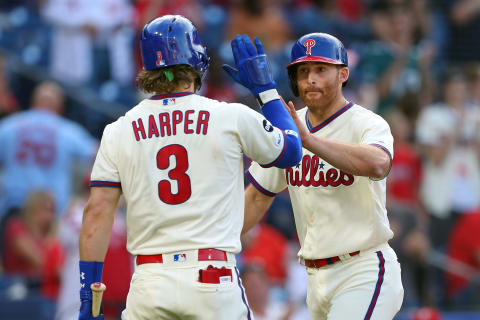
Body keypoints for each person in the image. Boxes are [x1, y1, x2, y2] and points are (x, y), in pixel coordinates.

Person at [78, 15, 302, 320]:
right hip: (212, 278)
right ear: (196, 59)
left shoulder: (119, 130)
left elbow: (97, 213)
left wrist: (87, 296)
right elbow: (291, 152)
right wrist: (266, 91)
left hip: (150, 280)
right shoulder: (229, 115)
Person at [241, 33, 404, 319]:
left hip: (363, 268)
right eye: (303, 71)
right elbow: (255, 198)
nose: (310, 79)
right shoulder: (289, 128)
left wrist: (309, 141)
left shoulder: (366, 122)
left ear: (343, 74)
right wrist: (211, 245)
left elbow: (378, 163)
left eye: (320, 69)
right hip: (314, 279)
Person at [0, 81, 97, 219]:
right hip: (50, 210)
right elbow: (97, 152)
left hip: (14, 205)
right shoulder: (67, 130)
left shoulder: (11, 124)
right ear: (59, 106)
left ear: (33, 101)